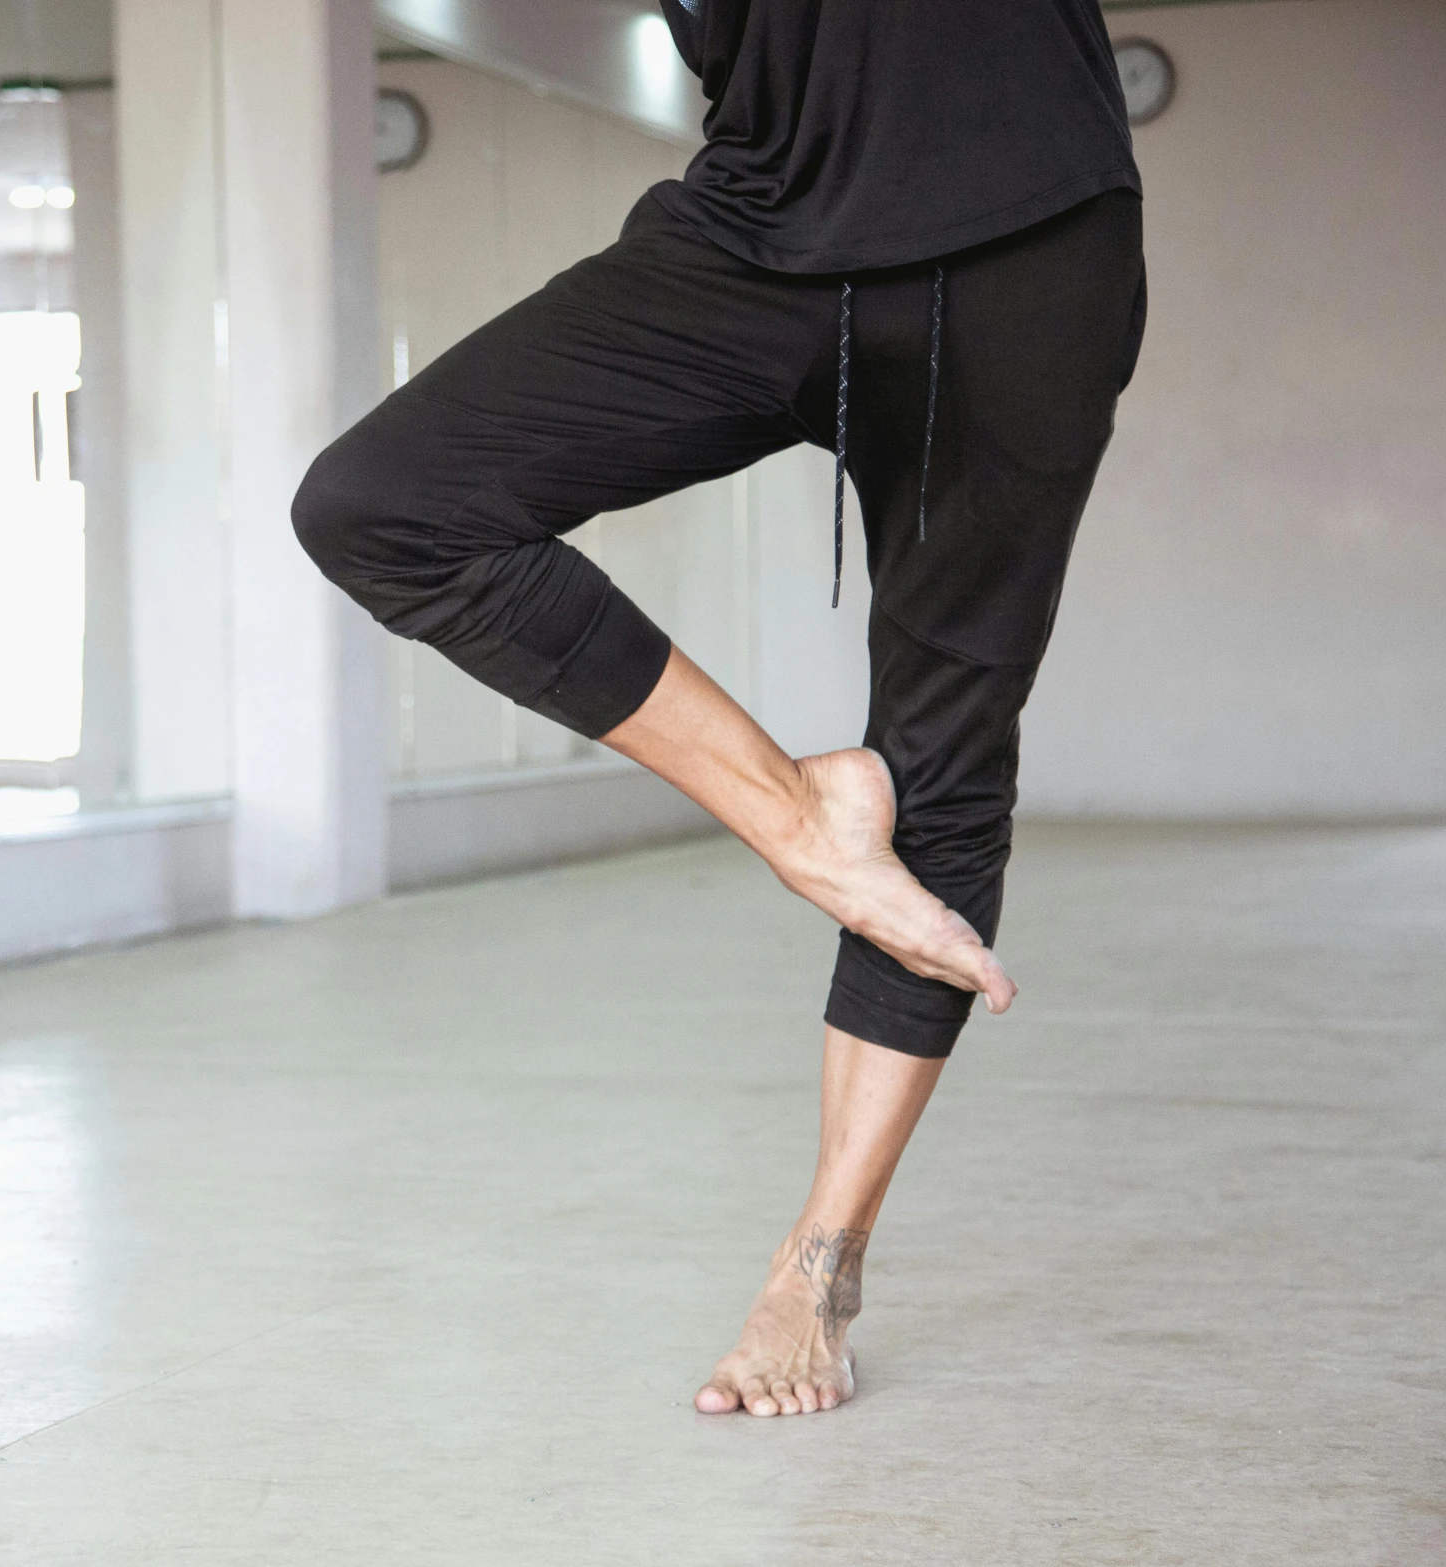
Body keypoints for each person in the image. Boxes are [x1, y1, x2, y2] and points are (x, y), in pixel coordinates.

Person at [293, 0, 1146, 1417]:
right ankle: (797, 813)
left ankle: (817, 1267)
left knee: (939, 760)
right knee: (383, 503)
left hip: (1026, 230)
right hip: (762, 220)